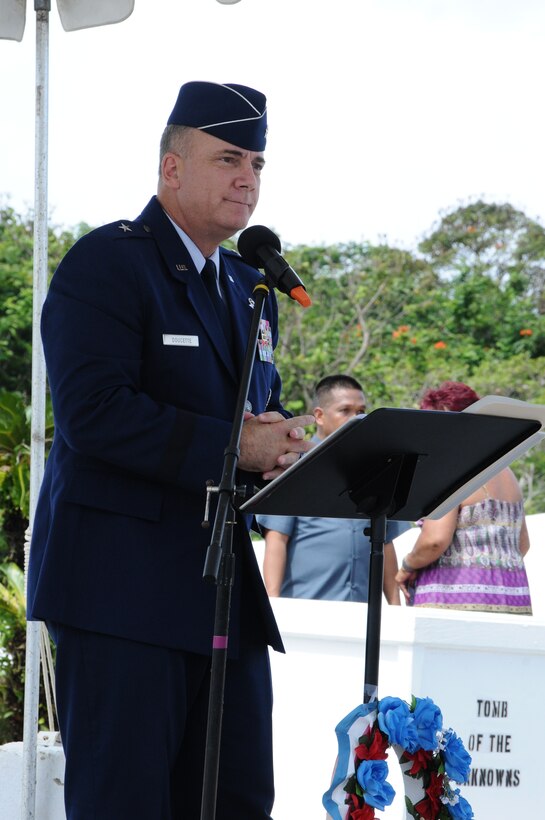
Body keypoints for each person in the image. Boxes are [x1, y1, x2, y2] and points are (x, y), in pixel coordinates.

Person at [26, 81, 315, 820]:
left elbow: (248, 413)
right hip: (121, 592)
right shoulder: (108, 264)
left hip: (220, 592)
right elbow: (94, 415)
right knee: (126, 805)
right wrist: (237, 444)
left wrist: (284, 440)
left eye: (256, 162)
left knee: (237, 800)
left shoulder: (250, 283)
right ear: (171, 169)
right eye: (227, 159)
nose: (247, 178)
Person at [257, 375, 408, 603]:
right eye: (345, 410)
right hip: (308, 608)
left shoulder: (379, 469)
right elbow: (277, 538)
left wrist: (395, 605)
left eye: (361, 411)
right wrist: (273, 601)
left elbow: (385, 541)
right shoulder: (296, 466)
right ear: (319, 415)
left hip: (363, 611)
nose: (356, 418)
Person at [395, 381, 532, 614]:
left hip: (456, 599)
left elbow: (435, 541)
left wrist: (407, 566)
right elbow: (522, 544)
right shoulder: (506, 471)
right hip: (513, 598)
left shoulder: (450, 469)